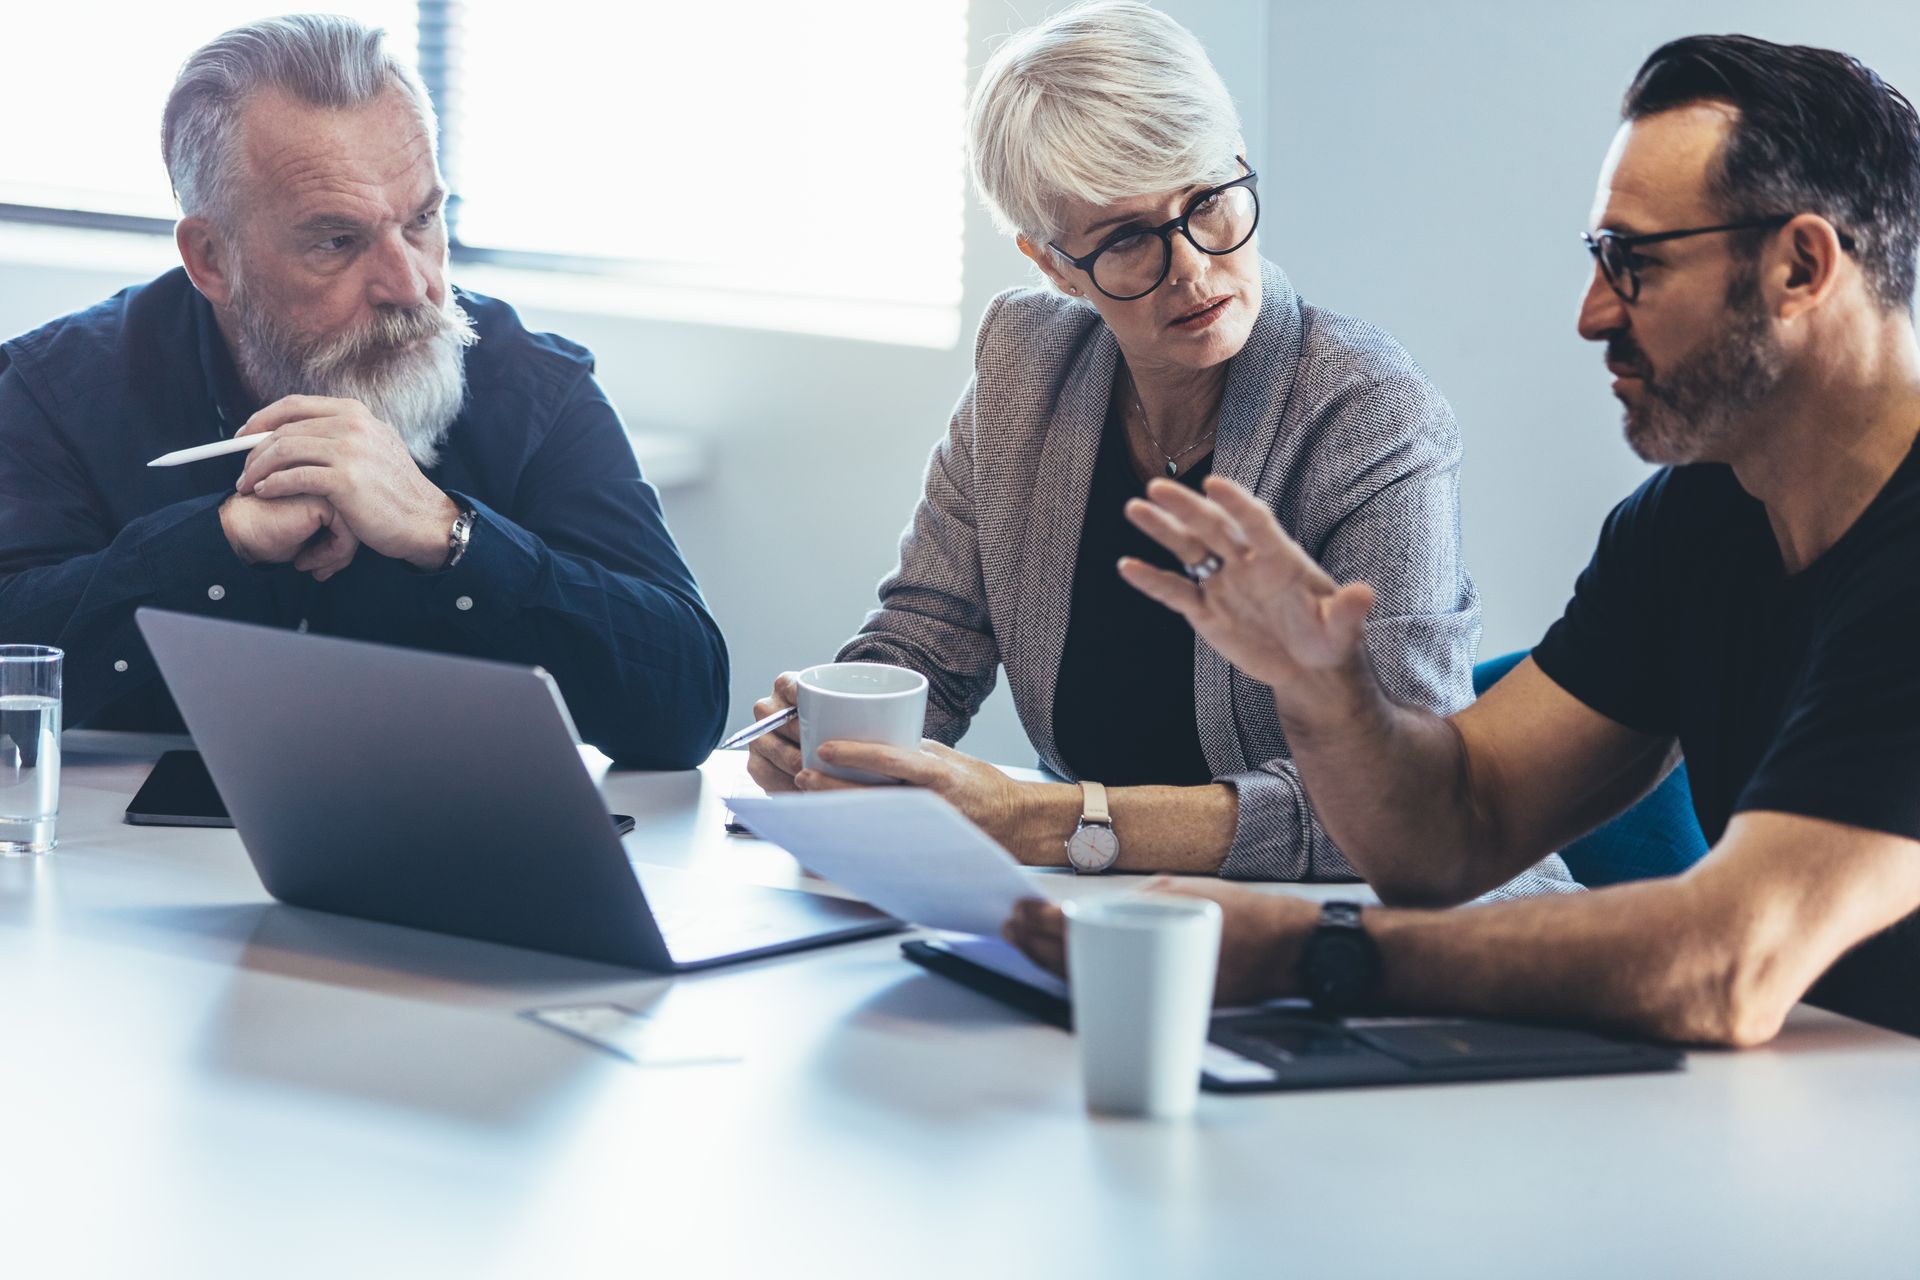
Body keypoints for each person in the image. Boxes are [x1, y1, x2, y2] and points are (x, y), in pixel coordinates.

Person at [1007, 34, 1920, 1043]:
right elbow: (1451, 829)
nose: (1590, 313)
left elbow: (1727, 962)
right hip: (1832, 1113)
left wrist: (1304, 950)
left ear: (1800, 264)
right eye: (1596, 259)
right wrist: (1328, 690)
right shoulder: (1699, 519)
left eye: (1634, 262)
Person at [745, 1, 1572, 893]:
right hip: (1118, 910)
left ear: (1242, 168)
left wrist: (1050, 820)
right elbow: (930, 639)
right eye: (1129, 239)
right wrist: (840, 740)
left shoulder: (1369, 415)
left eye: (1208, 204)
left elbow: (1404, 808)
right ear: (1053, 264)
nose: (1191, 267)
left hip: (1366, 931)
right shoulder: (1026, 365)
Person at [0, 15, 727, 767]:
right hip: (116, 875)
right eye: (336, 241)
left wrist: (448, 534)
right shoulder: (60, 392)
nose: (411, 285)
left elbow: (686, 709)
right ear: (212, 258)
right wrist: (220, 541)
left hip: (463, 866)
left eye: (421, 220)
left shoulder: (533, 388)